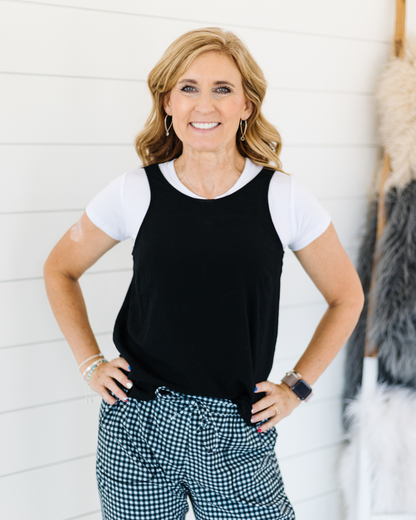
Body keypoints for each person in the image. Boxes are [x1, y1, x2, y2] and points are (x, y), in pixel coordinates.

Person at [44, 27, 364, 520]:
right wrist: (91, 364)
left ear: (247, 106)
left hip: (238, 427)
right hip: (138, 425)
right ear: (168, 102)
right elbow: (60, 268)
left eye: (223, 89)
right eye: (189, 88)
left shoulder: (284, 197)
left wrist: (295, 388)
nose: (204, 105)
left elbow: (347, 296)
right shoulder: (134, 191)